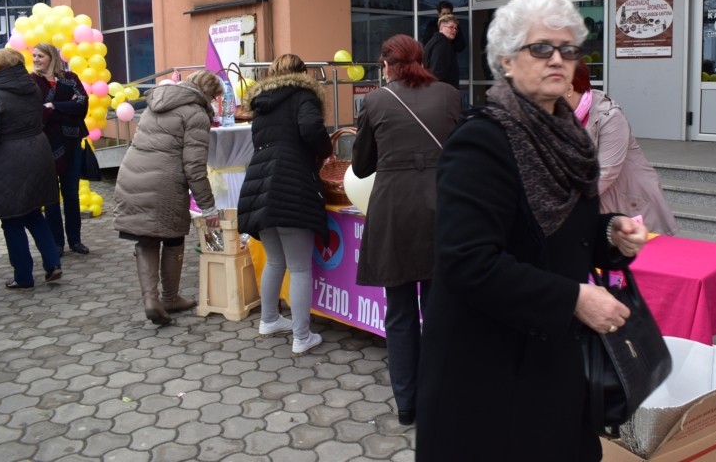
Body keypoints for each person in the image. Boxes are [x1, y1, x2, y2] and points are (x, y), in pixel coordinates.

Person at [416, 0, 648, 461]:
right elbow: (467, 261)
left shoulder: (568, 135)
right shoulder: (480, 141)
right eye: (541, 48)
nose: (557, 59)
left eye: (568, 49)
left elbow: (558, 234)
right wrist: (573, 299)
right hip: (488, 372)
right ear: (506, 59)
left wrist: (610, 233)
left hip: (549, 361)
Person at [352, 34, 461, 426]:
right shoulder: (449, 95)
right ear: (421, 60)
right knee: (437, 310)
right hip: (441, 209)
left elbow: (361, 166)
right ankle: (440, 397)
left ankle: (407, 405)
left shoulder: (375, 101)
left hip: (394, 211)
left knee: (399, 314)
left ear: (387, 65)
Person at [237, 54, 331, 356]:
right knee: (300, 267)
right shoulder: (303, 95)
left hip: (259, 184)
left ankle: (269, 320)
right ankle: (301, 336)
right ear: (302, 73)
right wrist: (325, 149)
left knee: (276, 260)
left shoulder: (262, 103)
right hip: (291, 182)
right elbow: (311, 128)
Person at [113, 70, 223, 325]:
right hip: (164, 182)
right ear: (207, 93)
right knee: (173, 238)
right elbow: (194, 168)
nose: (213, 103)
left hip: (132, 174)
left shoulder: (156, 101)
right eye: (213, 97)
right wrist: (208, 208)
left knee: (146, 239)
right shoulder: (196, 114)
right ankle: (170, 298)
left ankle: (151, 300)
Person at [0, 49, 62, 288]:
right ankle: (53, 263)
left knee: (11, 220)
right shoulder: (32, 87)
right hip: (38, 153)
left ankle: (24, 277)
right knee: (34, 212)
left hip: (9, 161)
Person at [566, 62, 679, 235]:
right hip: (593, 204)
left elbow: (606, 172)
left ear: (568, 88)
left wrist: (562, 202)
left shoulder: (609, 117)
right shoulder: (559, 118)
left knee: (635, 249)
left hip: (629, 203)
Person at [30, 42, 91, 256]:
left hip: (72, 144)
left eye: (40, 56)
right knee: (51, 199)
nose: (36, 59)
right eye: (34, 56)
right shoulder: (31, 82)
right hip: (45, 146)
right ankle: (56, 243)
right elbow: (37, 113)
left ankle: (75, 240)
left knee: (71, 195)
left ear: (52, 57)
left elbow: (82, 105)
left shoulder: (70, 78)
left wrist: (54, 106)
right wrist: (67, 107)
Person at [422, 13, 461, 89]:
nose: (454, 30)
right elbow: (437, 71)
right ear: (441, 28)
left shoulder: (433, 41)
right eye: (451, 27)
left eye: (456, 28)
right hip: (443, 90)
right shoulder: (443, 43)